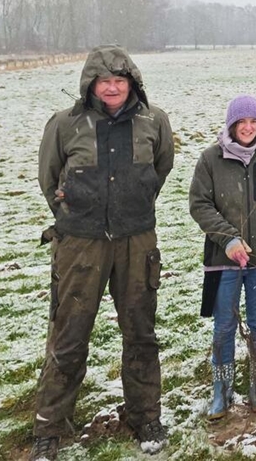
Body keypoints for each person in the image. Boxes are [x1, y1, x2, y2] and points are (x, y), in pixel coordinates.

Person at [33, 45, 174, 460]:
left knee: (140, 331)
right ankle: (50, 427)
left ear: (132, 83)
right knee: (69, 334)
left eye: (120, 80)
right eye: (104, 81)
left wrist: (132, 205)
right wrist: (75, 213)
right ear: (90, 84)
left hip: (136, 241)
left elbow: (160, 170)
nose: (112, 88)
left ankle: (144, 414)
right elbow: (48, 178)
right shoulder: (65, 124)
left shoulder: (154, 122)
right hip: (80, 244)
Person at [189, 95, 256, 420]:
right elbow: (200, 205)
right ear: (231, 125)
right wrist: (229, 239)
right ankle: (221, 393)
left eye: (254, 121)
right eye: (242, 122)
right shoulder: (210, 159)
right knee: (223, 327)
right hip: (224, 260)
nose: (248, 127)